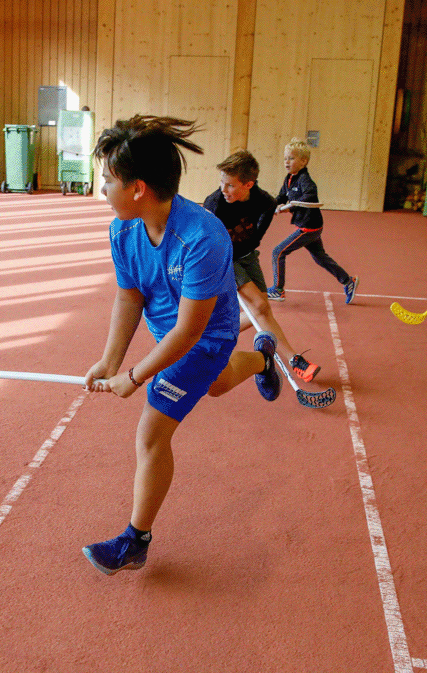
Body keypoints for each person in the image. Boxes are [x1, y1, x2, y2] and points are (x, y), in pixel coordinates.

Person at [81, 115, 282, 576]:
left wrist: (135, 376)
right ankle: (260, 358)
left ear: (138, 188)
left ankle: (136, 540)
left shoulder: (203, 237)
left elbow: (190, 332)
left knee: (151, 431)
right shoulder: (123, 230)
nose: (103, 190)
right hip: (167, 333)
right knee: (212, 386)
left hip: (206, 336)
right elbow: (130, 296)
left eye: (109, 180)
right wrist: (109, 360)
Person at [202, 150, 336, 402]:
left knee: (259, 316)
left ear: (248, 184)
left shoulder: (265, 202)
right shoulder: (214, 204)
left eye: (230, 185)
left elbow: (256, 236)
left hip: (248, 256)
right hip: (223, 259)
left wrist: (247, 248)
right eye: (221, 182)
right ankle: (295, 359)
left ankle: (207, 332)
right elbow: (208, 242)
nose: (223, 189)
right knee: (261, 305)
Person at [267, 138, 357, 304]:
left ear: (303, 161)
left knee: (278, 252)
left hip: (309, 227)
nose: (287, 161)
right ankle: (348, 281)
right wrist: (271, 206)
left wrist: (289, 206)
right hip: (310, 226)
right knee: (320, 257)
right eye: (285, 158)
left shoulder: (305, 180)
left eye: (291, 158)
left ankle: (278, 290)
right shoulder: (289, 179)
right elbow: (280, 197)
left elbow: (310, 196)